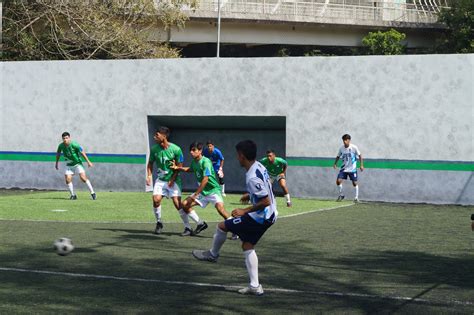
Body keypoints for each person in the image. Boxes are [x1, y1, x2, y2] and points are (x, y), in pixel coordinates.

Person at [192, 140, 278, 296]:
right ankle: (255, 286)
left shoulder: (252, 176)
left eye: (238, 155)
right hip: (271, 214)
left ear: (242, 156)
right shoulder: (259, 165)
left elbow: (266, 201)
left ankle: (213, 254)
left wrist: (245, 211)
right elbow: (267, 185)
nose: (237, 158)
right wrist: (250, 194)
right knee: (247, 245)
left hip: (261, 216)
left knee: (222, 226)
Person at [171, 141, 232, 236]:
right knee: (185, 204)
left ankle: (236, 230)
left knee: (221, 210)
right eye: (190, 150)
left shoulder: (206, 162)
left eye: (193, 150)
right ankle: (200, 224)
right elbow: (191, 169)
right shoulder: (194, 162)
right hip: (203, 192)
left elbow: (205, 179)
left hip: (213, 191)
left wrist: (196, 194)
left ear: (200, 151)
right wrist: (178, 168)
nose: (191, 152)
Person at [146, 126, 190, 236]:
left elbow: (179, 166)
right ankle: (159, 222)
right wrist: (149, 176)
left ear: (164, 136)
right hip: (161, 180)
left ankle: (188, 227)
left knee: (177, 203)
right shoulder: (154, 149)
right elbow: (150, 163)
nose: (154, 137)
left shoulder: (176, 149)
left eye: (157, 135)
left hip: (174, 180)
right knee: (156, 200)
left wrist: (172, 179)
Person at [55, 132, 96, 200]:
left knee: (83, 178)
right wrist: (56, 163)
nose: (65, 139)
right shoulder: (61, 146)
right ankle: (73, 195)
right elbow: (58, 154)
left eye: (66, 138)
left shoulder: (74, 144)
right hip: (69, 165)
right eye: (64, 138)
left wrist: (88, 161)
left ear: (69, 138)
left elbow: (82, 152)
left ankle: (92, 193)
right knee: (68, 179)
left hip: (77, 164)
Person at [333, 134, 364, 203]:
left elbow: (360, 155)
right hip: (344, 168)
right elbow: (338, 156)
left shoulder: (354, 147)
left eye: (345, 140)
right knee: (338, 181)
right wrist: (335, 163)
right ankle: (341, 195)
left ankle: (356, 198)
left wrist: (361, 165)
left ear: (349, 140)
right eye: (343, 140)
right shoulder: (341, 148)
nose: (344, 141)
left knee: (354, 183)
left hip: (352, 169)